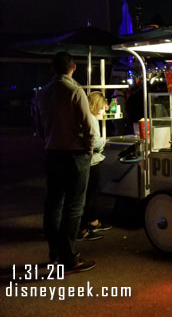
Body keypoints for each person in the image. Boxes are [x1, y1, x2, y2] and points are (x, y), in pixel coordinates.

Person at [36, 52, 96, 273]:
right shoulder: (75, 91)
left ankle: (55, 253)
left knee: (53, 204)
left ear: (53, 69)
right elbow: (89, 127)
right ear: (73, 67)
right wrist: (89, 151)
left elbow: (39, 127)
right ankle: (70, 257)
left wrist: (49, 142)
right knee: (74, 206)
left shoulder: (42, 93)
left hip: (52, 154)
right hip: (74, 155)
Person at [77, 91, 112, 241]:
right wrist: (104, 141)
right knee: (91, 195)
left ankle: (91, 222)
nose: (102, 110)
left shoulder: (81, 116)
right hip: (92, 162)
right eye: (102, 107)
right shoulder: (91, 119)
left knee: (87, 195)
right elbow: (94, 142)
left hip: (85, 161)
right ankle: (87, 226)